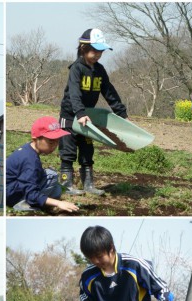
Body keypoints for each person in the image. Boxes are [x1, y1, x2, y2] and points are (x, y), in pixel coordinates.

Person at [58, 28, 128, 195]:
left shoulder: (100, 70)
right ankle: (65, 185)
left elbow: (109, 92)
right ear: (83, 48)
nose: (98, 54)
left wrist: (122, 114)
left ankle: (88, 185)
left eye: (101, 51)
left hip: (87, 118)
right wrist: (79, 113)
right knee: (67, 153)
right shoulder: (77, 68)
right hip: (70, 117)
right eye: (95, 50)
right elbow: (74, 93)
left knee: (87, 152)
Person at [6, 116, 79, 213]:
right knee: (51, 176)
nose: (55, 146)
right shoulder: (30, 160)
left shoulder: (28, 150)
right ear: (35, 139)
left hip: (11, 189)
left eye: (57, 141)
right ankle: (24, 203)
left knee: (55, 186)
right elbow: (31, 192)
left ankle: (36, 201)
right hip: (12, 195)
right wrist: (58, 203)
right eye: (51, 141)